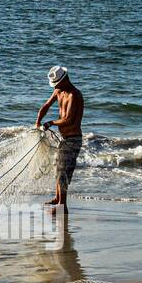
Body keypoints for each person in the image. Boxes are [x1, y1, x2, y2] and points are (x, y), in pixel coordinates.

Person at [35, 65, 84, 211]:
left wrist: (50, 122)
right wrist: (38, 122)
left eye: (57, 83)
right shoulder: (58, 91)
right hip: (64, 139)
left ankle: (62, 206)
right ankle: (58, 199)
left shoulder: (74, 95)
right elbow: (46, 105)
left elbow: (68, 119)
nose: (55, 87)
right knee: (58, 168)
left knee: (63, 171)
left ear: (65, 80)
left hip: (73, 139)